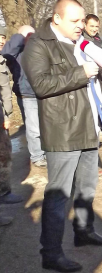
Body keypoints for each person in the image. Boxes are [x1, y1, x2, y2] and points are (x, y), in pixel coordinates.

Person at [22, 0, 102, 273]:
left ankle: (83, 231)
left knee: (87, 188)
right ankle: (51, 253)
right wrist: (81, 73)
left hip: (87, 126)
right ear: (56, 19)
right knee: (59, 194)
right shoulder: (39, 45)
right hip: (63, 131)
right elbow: (40, 85)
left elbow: (88, 82)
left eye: (82, 21)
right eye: (75, 21)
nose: (81, 26)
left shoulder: (79, 44)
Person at [2, 25, 47, 168]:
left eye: (32, 35)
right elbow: (6, 52)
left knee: (46, 126)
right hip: (27, 95)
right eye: (27, 36)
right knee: (34, 129)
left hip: (43, 92)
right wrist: (19, 36)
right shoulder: (15, 53)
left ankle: (47, 151)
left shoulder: (39, 49)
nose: (30, 38)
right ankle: (37, 156)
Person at [0, 25, 24, 216]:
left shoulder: (1, 59)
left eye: (3, 37)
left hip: (3, 116)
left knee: (5, 156)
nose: (1, 41)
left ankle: (4, 192)